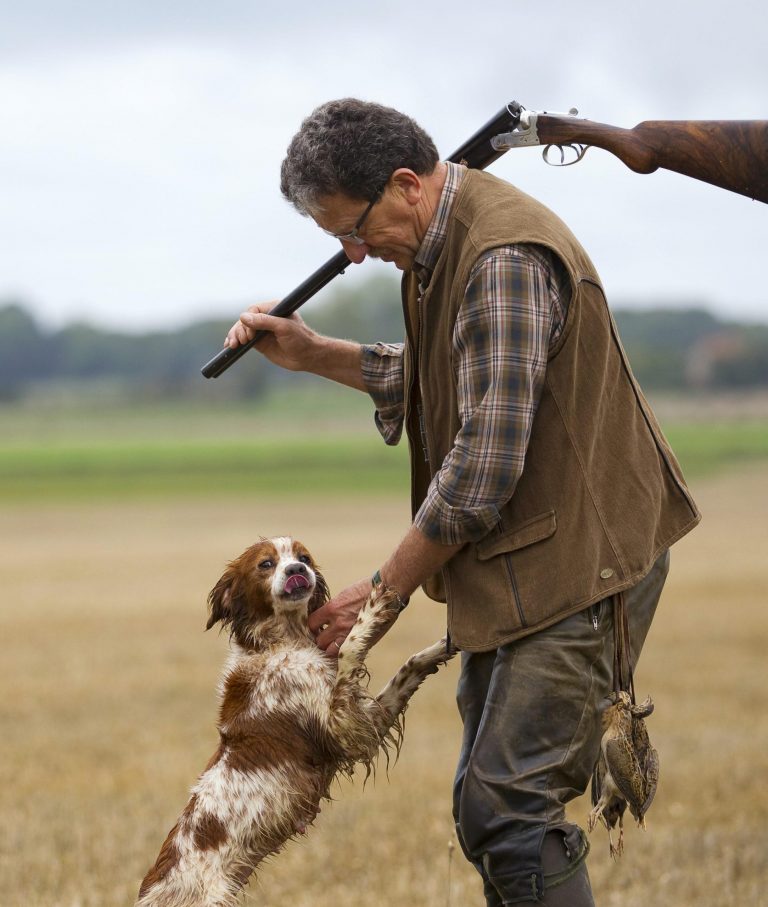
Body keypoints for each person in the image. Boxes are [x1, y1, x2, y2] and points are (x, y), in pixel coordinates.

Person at [224, 99, 700, 906]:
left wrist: (377, 599)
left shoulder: (500, 258)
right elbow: (455, 375)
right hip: (533, 560)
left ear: (406, 184)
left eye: (356, 229)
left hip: (581, 565)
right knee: (489, 810)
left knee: (508, 811)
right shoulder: (443, 246)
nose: (354, 253)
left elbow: (479, 469)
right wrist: (313, 354)